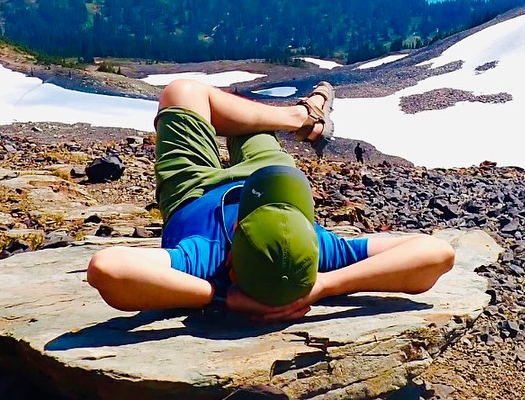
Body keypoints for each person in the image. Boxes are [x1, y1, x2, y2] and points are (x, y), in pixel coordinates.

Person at [86, 78, 456, 322]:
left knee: (182, 92)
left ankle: (298, 116)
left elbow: (108, 270)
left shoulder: (204, 257)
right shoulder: (321, 253)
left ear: (233, 265)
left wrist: (218, 297)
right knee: (252, 126)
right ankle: (303, 116)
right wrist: (327, 285)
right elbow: (437, 255)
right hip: (266, 173)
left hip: (194, 190)